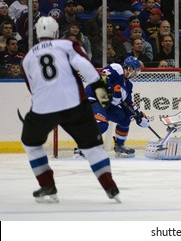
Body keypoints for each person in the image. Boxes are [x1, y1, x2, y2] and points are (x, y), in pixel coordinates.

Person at [20, 16, 120, 203]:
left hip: (44, 108)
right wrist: (99, 89)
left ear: (37, 33)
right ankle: (109, 186)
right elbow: (84, 66)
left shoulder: (27, 58)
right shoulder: (67, 45)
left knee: (31, 144)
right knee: (92, 147)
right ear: (56, 32)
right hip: (75, 104)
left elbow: (33, 88)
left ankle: (46, 184)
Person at [84, 56, 151, 158]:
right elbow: (101, 76)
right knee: (102, 124)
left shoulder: (128, 86)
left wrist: (139, 115)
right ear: (130, 68)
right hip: (94, 99)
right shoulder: (117, 68)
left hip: (107, 105)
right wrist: (112, 90)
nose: (136, 74)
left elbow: (128, 103)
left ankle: (119, 146)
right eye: (136, 71)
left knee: (125, 119)